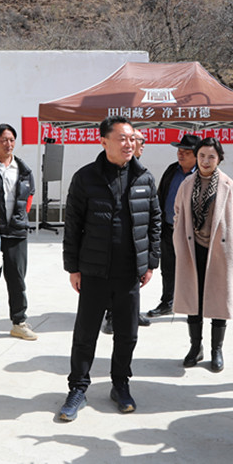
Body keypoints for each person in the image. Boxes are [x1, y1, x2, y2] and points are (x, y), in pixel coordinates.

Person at [58, 116, 161, 421]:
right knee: (85, 333)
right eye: (122, 138)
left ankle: (120, 384)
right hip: (94, 270)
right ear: (103, 142)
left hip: (129, 272)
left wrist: (150, 262)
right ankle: (78, 388)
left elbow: (154, 221)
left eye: (132, 138)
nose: (129, 144)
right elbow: (73, 225)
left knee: (127, 334)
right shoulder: (85, 177)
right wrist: (73, 267)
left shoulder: (144, 177)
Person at [172, 137, 233, 372]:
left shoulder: (228, 185)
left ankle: (216, 350)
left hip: (220, 251)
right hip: (193, 249)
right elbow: (177, 212)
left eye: (211, 156)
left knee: (218, 300)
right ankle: (196, 347)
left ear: (219, 159)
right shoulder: (187, 184)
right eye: (202, 156)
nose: (205, 160)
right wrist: (178, 238)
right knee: (194, 300)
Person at [0, 123, 37, 343]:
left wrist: (20, 219)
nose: (8, 144)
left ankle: (19, 323)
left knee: (17, 279)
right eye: (4, 140)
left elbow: (29, 197)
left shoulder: (23, 170)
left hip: (16, 233)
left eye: (12, 140)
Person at [103, 128, 152, 333]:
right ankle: (111, 316)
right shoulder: (110, 171)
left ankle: (132, 312)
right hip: (112, 243)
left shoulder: (142, 174)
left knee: (133, 283)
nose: (139, 144)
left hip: (136, 243)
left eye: (138, 140)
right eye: (137, 139)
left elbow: (153, 214)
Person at [146, 133, 200, 318]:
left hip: (193, 233)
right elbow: (161, 195)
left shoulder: (202, 175)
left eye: (186, 152)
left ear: (197, 155)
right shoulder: (172, 170)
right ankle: (167, 302)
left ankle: (195, 307)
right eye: (179, 151)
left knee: (193, 270)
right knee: (168, 269)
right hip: (169, 228)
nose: (181, 154)